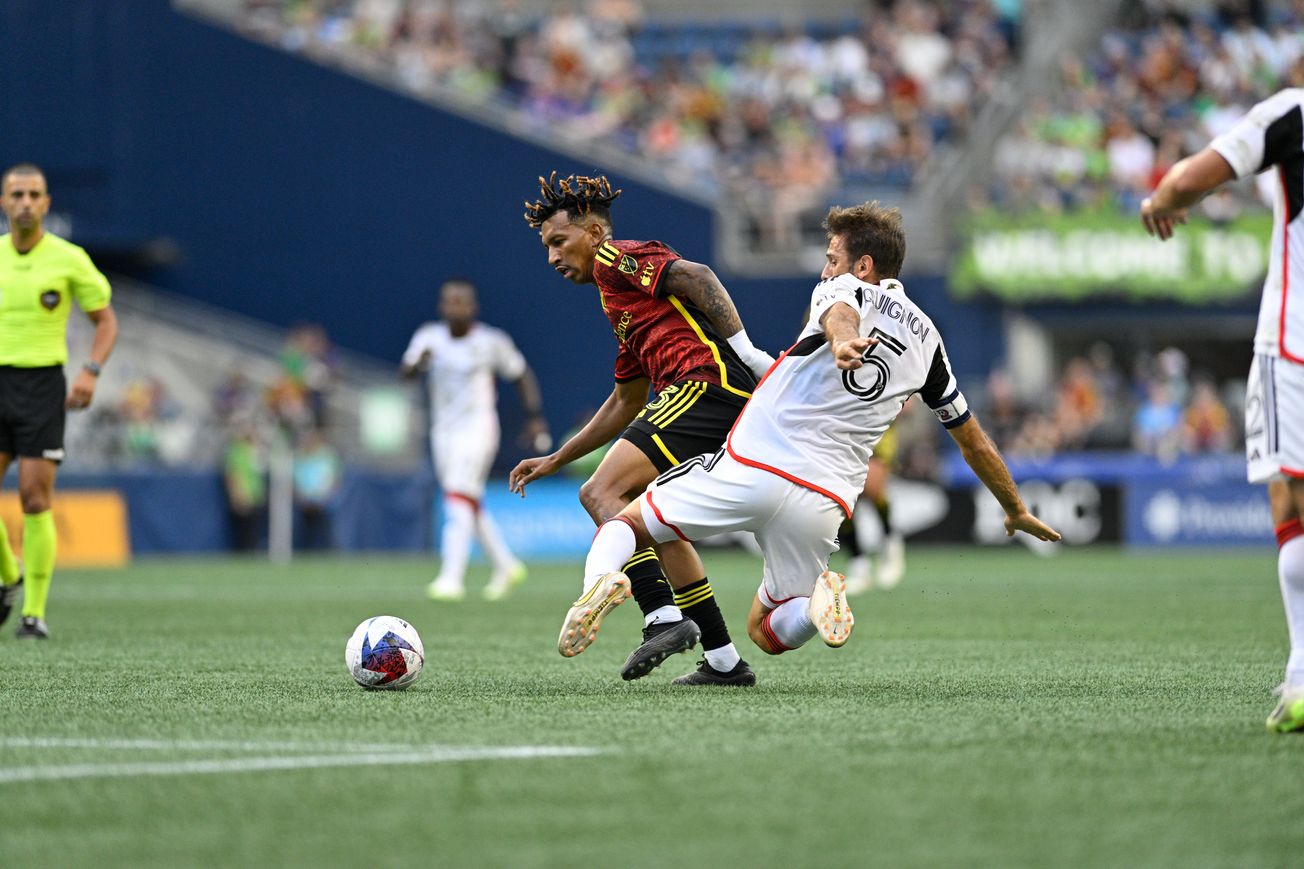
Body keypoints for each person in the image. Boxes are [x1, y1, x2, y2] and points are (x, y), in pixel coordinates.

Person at [576, 202, 1060, 665]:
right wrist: (1015, 508)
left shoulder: (841, 289)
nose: (826, 270)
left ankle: (597, 584)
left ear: (863, 265)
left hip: (756, 464)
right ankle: (812, 609)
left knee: (623, 518)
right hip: (826, 499)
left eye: (832, 259)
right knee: (764, 629)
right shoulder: (931, 342)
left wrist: (846, 340)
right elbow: (972, 439)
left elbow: (839, 315)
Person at [511, 172, 776, 686]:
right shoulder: (618, 303)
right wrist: (555, 459)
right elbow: (624, 402)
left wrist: (751, 356)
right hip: (707, 396)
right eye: (546, 247)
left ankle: (660, 617)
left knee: (601, 493)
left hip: (706, 386)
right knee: (654, 519)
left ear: (592, 233)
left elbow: (697, 276)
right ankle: (724, 662)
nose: (552, 258)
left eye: (558, 242)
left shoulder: (616, 257)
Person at [1140, 87, 1304, 732]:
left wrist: (1163, 200)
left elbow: (1191, 176)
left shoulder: (1294, 112)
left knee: (1292, 502)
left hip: (1294, 345)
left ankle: (1301, 676)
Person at [0, 163, 119, 639]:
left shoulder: (69, 259)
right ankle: (9, 574)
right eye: (16, 195)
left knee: (33, 496)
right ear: (4, 203)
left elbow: (106, 321)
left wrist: (90, 371)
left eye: (34, 195)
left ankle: (34, 614)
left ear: (47, 203)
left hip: (42, 386)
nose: (25, 202)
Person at [402, 278, 548, 602]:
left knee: (456, 496)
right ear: (441, 306)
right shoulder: (429, 337)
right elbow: (406, 374)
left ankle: (451, 577)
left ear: (473, 307)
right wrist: (418, 363)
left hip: (479, 428)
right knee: (466, 498)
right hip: (443, 432)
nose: (455, 307)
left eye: (461, 301)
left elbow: (521, 374)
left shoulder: (490, 341)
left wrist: (534, 417)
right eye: (449, 301)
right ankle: (506, 564)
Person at [842, 426, 906, 594]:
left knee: (872, 489)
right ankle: (859, 566)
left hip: (877, 429)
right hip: (842, 434)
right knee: (844, 501)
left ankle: (890, 544)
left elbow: (909, 405)